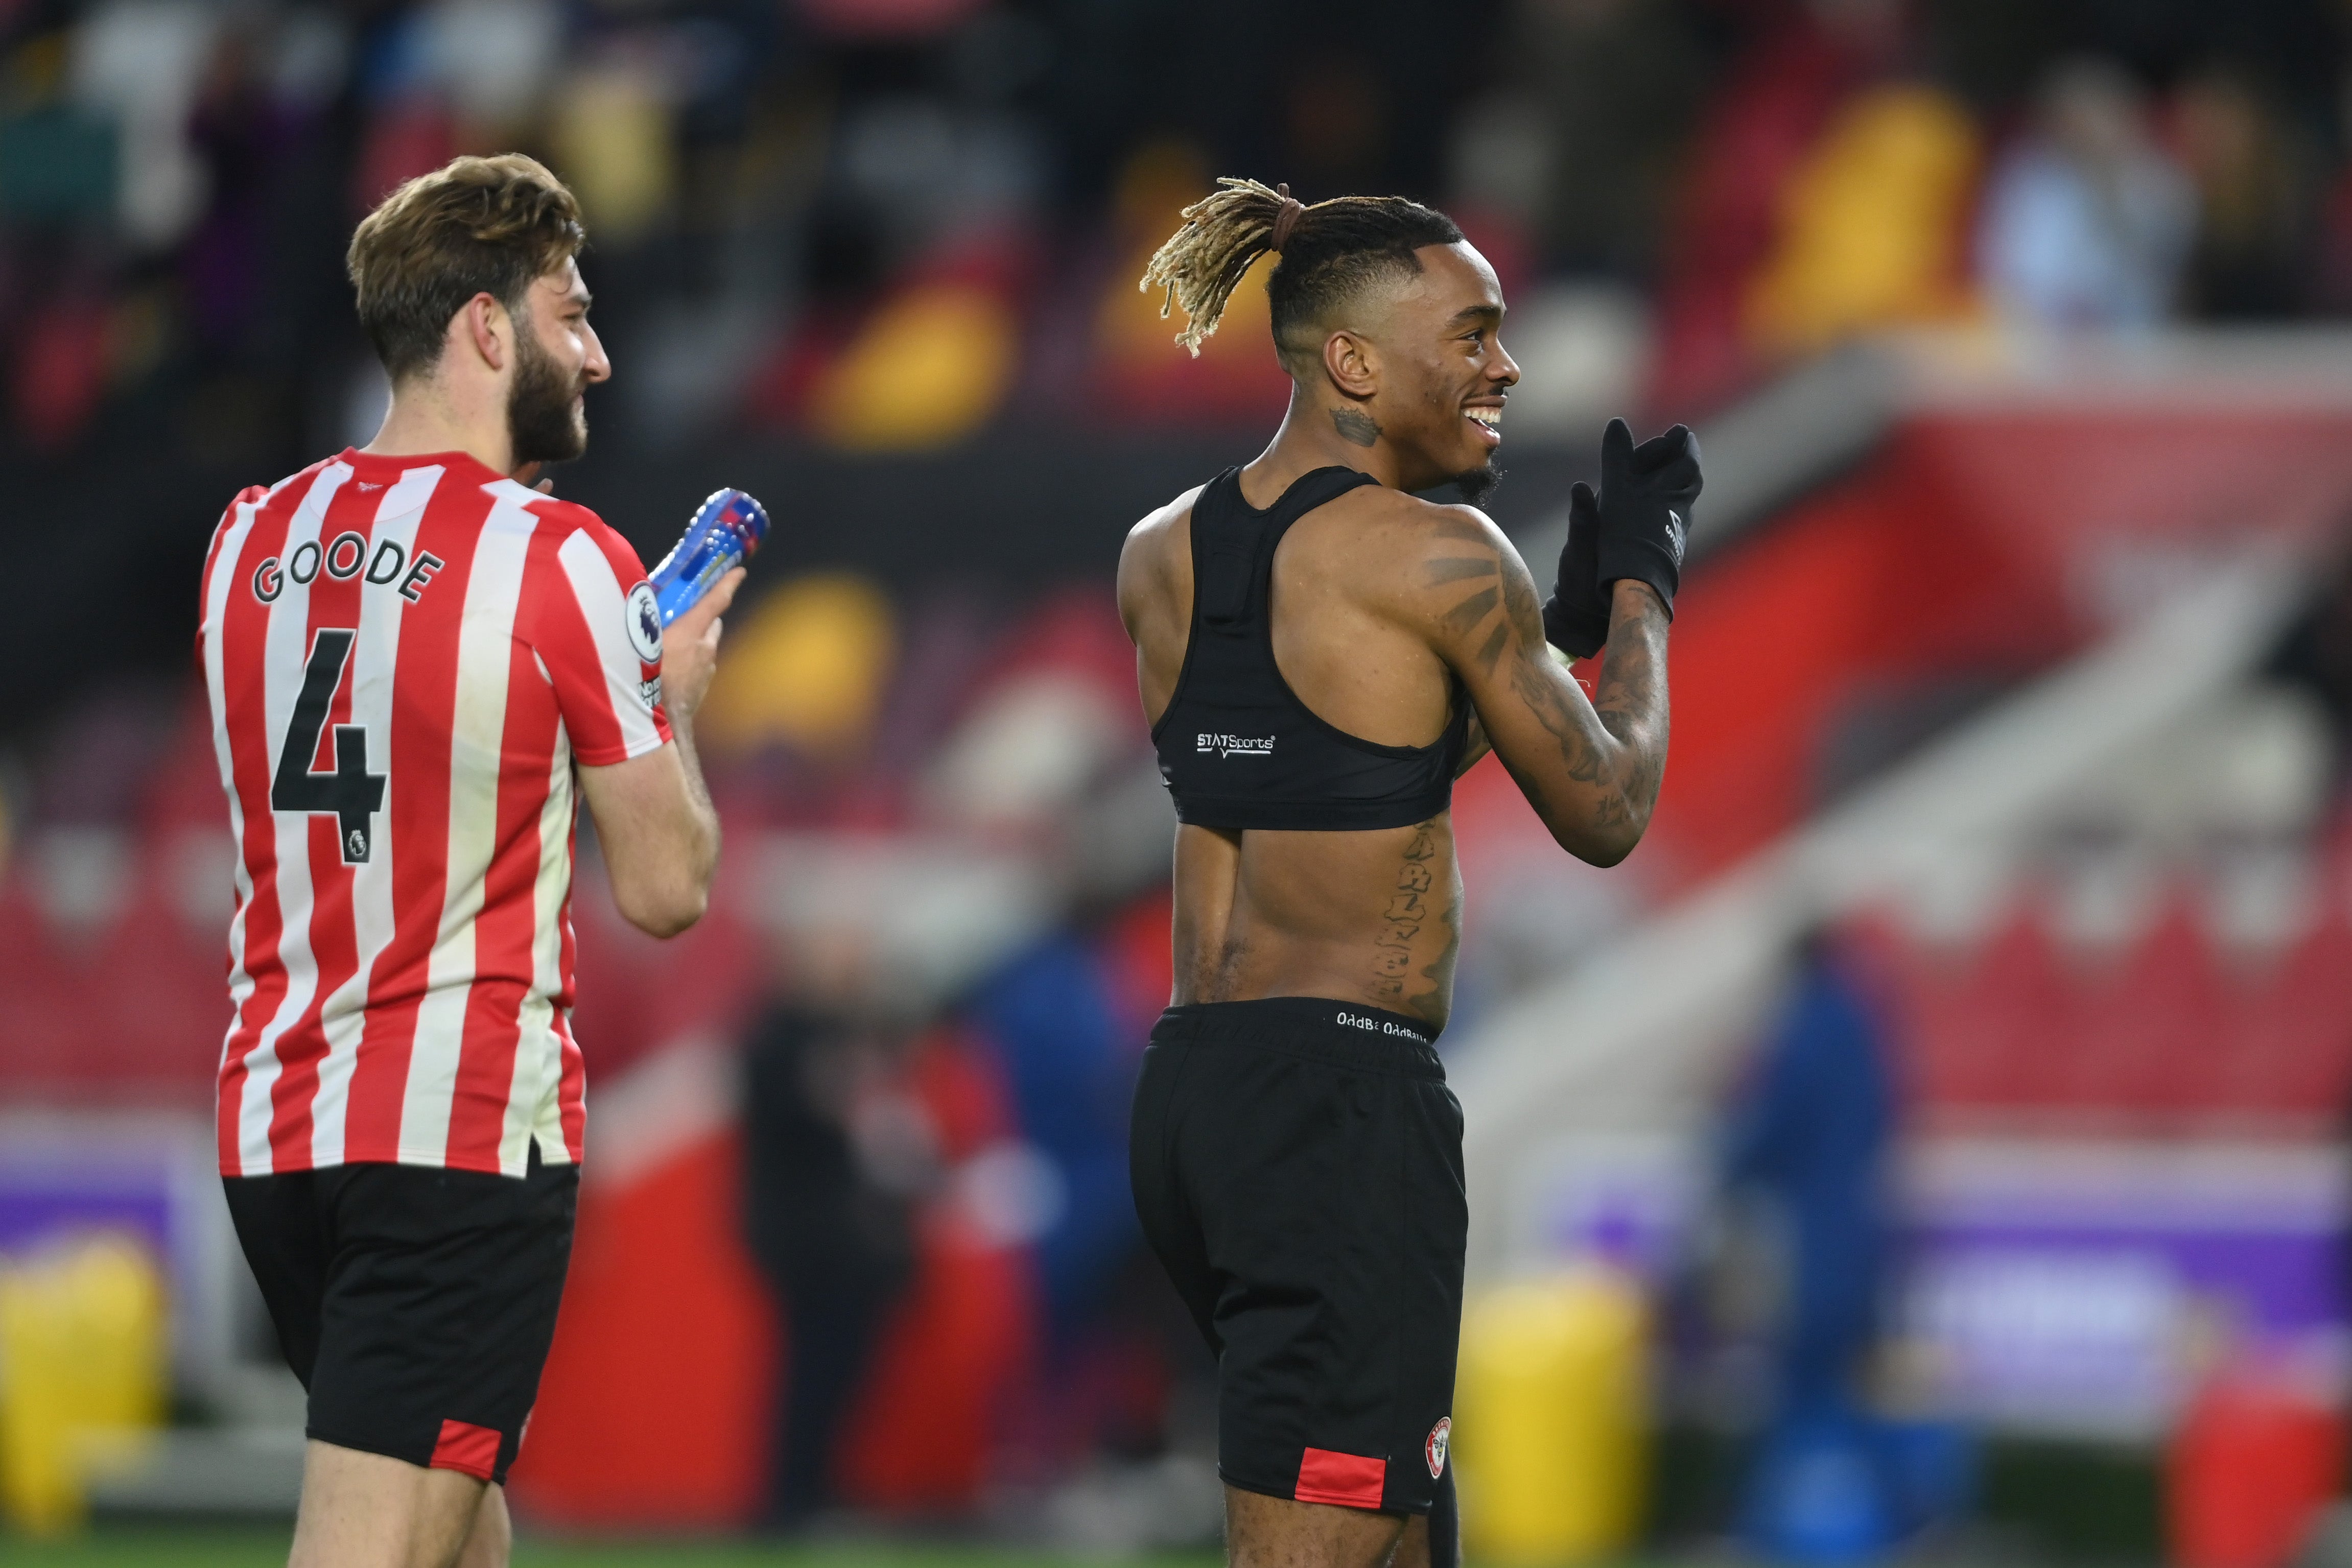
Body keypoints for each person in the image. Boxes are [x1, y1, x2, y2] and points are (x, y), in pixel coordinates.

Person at [1117, 178, 1695, 1568]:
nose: (1504, 366)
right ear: (1355, 364)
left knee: (1397, 1536)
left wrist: (1518, 653)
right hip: (1340, 1113)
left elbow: (1333, 780)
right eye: (1474, 333)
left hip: (1198, 1098)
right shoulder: (1439, 556)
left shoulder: (1161, 552)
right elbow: (1608, 806)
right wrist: (1638, 595)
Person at [197, 154, 742, 1568]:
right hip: (455, 1128)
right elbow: (669, 889)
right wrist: (671, 694)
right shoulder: (556, 557)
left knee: (454, 1529)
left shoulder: (248, 540)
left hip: (276, 1125)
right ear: (486, 331)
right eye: (571, 314)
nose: (599, 356)